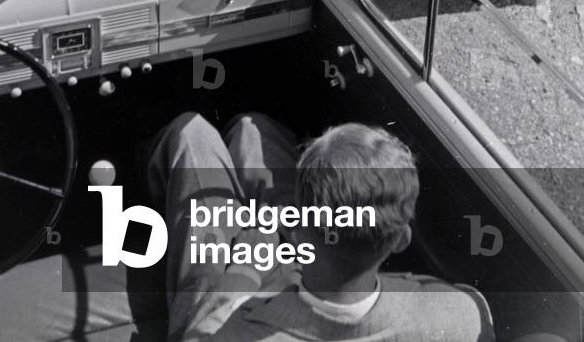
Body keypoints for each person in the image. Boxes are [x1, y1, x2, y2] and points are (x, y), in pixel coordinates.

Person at [146, 112, 495, 342]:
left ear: (295, 230)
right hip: (313, 259)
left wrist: (246, 268)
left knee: (192, 134)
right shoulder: (464, 316)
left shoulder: (236, 333)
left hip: (239, 292)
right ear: (401, 240)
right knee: (253, 133)